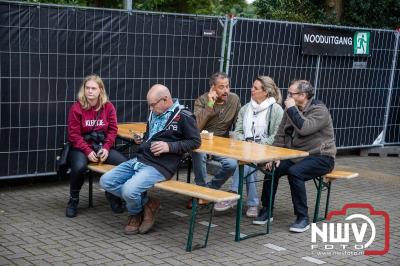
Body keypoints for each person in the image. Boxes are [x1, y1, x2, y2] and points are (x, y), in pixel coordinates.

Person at [100, 84, 201, 235]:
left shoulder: (184, 116)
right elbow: (151, 135)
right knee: (106, 181)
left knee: (129, 191)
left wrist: (169, 147)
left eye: (152, 104)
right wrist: (144, 139)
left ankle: (134, 214)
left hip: (160, 166)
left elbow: (195, 142)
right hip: (141, 159)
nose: (150, 109)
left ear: (165, 100)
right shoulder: (155, 112)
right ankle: (148, 204)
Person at [253, 80, 336, 233]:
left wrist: (291, 108)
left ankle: (302, 217)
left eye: (291, 94)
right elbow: (280, 135)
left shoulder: (319, 110)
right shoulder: (291, 109)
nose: (287, 96)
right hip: (296, 155)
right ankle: (267, 209)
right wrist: (275, 155)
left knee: (295, 172)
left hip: (321, 156)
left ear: (303, 95)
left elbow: (304, 128)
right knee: (272, 168)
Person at [214, 76, 284, 217]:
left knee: (244, 163)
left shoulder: (276, 110)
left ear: (266, 92)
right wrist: (246, 143)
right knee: (245, 163)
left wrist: (257, 145)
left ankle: (233, 192)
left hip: (267, 151)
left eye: (256, 88)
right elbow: (238, 132)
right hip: (246, 149)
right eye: (253, 86)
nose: (251, 90)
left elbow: (276, 136)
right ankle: (252, 204)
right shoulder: (246, 108)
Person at [66, 74, 127, 218]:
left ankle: (112, 194)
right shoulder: (76, 108)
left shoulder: (108, 107)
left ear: (100, 90)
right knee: (79, 167)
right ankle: (73, 200)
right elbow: (73, 135)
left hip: (101, 146)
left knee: (125, 164)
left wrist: (106, 148)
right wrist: (87, 151)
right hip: (81, 147)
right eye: (87, 88)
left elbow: (113, 130)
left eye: (93, 88)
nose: (90, 91)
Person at [190, 72, 241, 208]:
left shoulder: (234, 99)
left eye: (227, 86)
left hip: (221, 145)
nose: (226, 91)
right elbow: (196, 127)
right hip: (201, 142)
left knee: (231, 164)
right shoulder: (201, 100)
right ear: (212, 88)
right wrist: (210, 104)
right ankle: (201, 189)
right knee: (199, 154)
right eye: (221, 87)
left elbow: (238, 123)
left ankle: (208, 190)